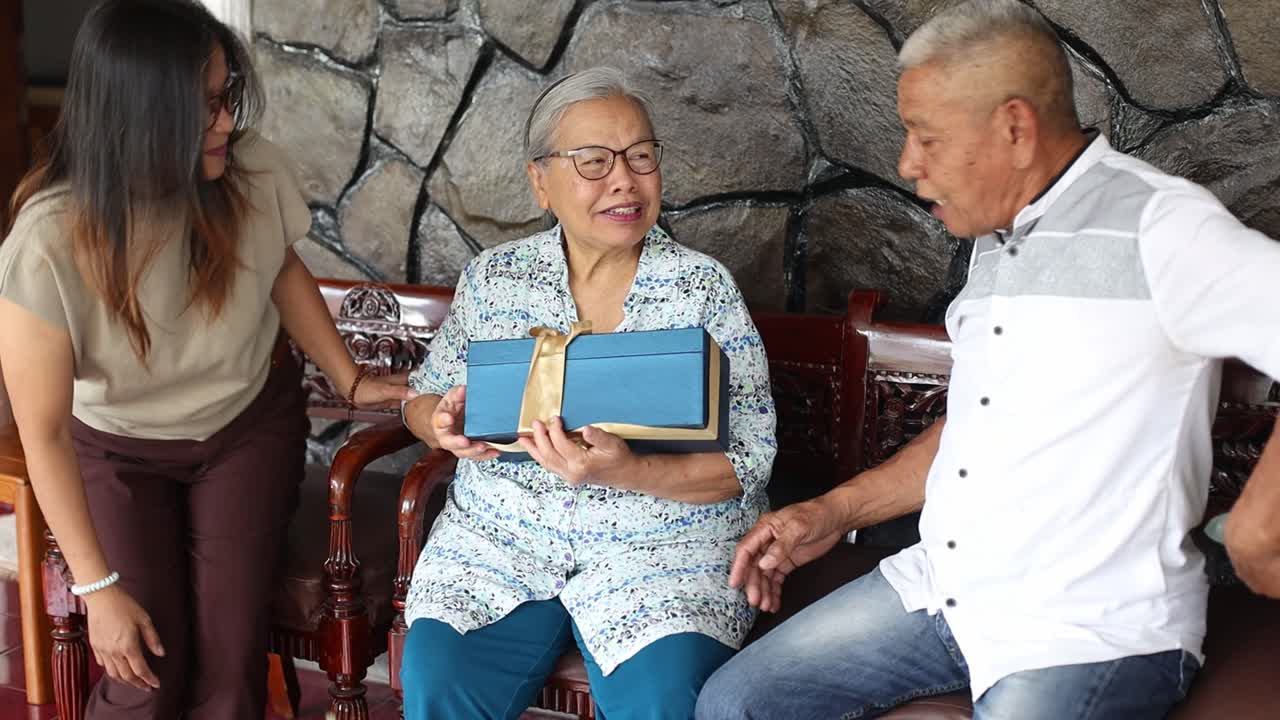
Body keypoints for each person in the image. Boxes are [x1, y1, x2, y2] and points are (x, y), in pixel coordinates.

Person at [695, 1, 1280, 718]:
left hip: (1088, 629)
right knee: (733, 705)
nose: (907, 164)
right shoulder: (997, 237)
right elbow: (979, 429)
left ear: (1014, 129)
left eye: (926, 137)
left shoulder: (1161, 224)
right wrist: (829, 511)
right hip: (944, 589)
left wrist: (1258, 529)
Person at [0, 1, 412, 717]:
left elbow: (280, 269)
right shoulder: (47, 241)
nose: (226, 122)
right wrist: (98, 590)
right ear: (138, 116)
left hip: (246, 430)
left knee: (230, 664)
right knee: (146, 666)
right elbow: (45, 433)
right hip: (118, 449)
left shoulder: (250, 171)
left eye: (228, 97)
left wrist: (350, 379)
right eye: (205, 107)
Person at [397, 67, 777, 720]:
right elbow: (421, 397)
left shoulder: (701, 290)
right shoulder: (494, 280)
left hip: (663, 556)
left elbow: (749, 460)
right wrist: (439, 421)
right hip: (499, 547)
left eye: (641, 156)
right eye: (595, 161)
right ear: (541, 181)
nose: (624, 180)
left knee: (665, 699)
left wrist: (628, 470)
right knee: (438, 681)